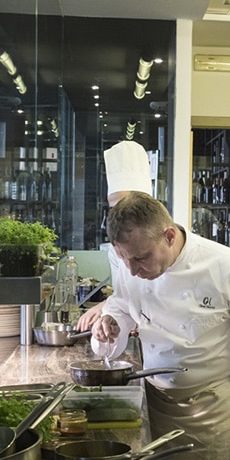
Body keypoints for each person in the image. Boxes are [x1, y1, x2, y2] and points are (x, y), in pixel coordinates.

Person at [91, 191, 230, 460]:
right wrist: (111, 323)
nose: (133, 271)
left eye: (142, 259)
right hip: (154, 405)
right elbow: (121, 305)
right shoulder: (131, 265)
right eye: (125, 260)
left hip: (210, 409)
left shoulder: (226, 267)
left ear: (169, 235)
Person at [77, 140, 151, 332]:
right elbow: (124, 295)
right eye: (114, 208)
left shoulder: (166, 243)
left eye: (125, 205)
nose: (119, 214)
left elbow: (157, 296)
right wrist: (107, 308)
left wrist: (106, 307)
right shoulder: (115, 249)